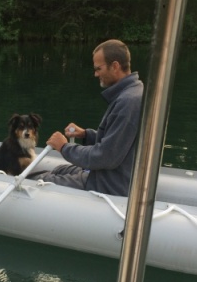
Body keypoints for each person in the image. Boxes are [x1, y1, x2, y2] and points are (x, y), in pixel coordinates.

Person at [35, 39, 143, 196]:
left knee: (40, 179)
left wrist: (65, 148)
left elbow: (106, 157)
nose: (95, 74)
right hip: (109, 175)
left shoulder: (128, 102)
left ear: (115, 66)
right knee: (59, 169)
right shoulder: (134, 91)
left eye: (99, 68)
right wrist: (86, 135)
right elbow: (119, 142)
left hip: (109, 184)